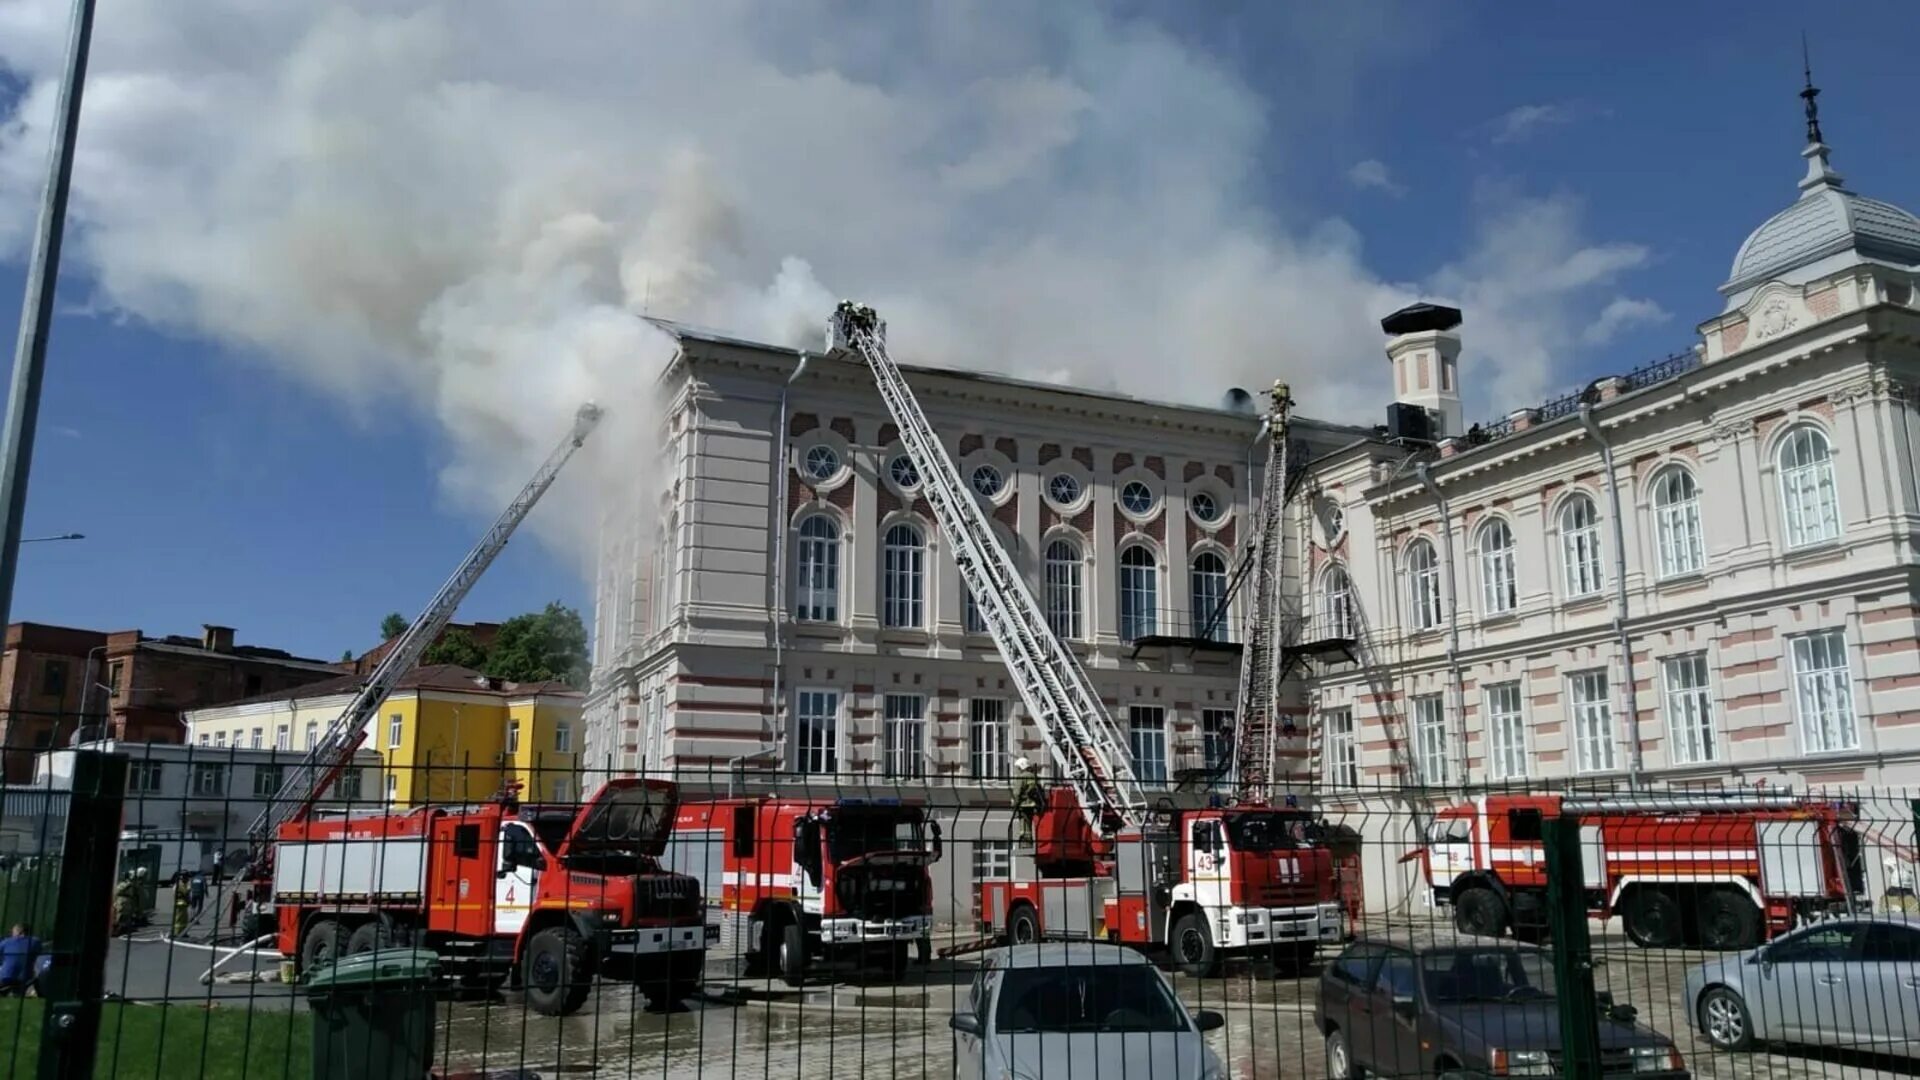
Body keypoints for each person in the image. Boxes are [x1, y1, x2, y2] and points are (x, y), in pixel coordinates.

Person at [1010, 757, 1045, 842]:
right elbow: (1040, 789)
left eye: (1018, 768)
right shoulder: (1035, 777)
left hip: (1024, 803)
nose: (1018, 770)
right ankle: (1029, 837)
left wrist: (1015, 803)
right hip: (1034, 804)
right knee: (1029, 820)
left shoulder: (1021, 777)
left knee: (1023, 820)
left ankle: (1024, 838)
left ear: (1022, 766)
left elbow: (1016, 792)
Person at [0, 924, 41, 996]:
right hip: (25, 978)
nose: (12, 934)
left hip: (6, 976)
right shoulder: (35, 942)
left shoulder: (5, 942)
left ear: (19, 932)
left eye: (13, 932)